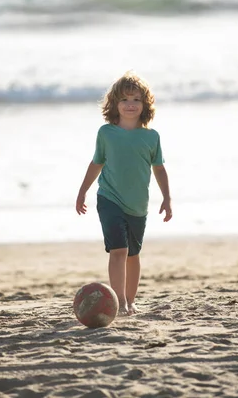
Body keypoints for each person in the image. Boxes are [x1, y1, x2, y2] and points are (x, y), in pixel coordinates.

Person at [75, 71, 173, 316]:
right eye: (125, 99)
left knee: (133, 254)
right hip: (109, 199)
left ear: (145, 105)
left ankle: (130, 301)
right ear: (115, 104)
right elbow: (96, 163)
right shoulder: (106, 133)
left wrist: (167, 198)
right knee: (119, 250)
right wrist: (82, 192)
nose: (130, 104)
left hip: (138, 205)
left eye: (136, 100)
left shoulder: (151, 137)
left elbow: (159, 168)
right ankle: (118, 300)